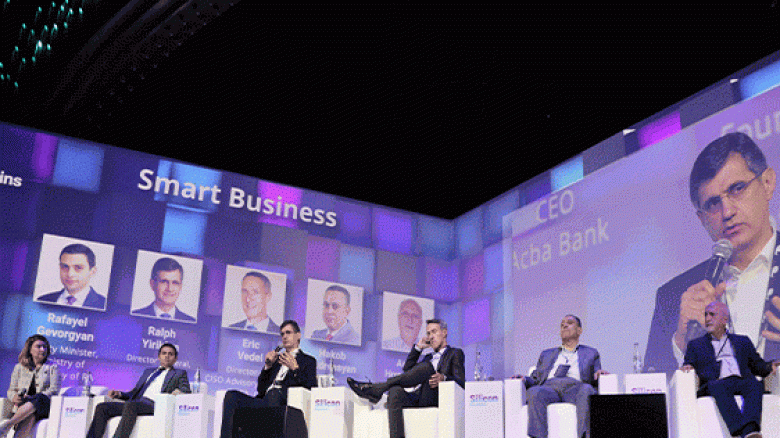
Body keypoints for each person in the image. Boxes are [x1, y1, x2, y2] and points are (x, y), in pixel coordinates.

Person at [645, 132, 780, 374]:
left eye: (737, 189)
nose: (727, 212)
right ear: (701, 219)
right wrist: (682, 344)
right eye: (713, 204)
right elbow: (649, 387)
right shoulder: (673, 297)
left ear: (768, 183)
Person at [348, 319, 465, 438]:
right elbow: (408, 371)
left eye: (434, 332)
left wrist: (444, 378)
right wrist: (418, 348)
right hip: (418, 397)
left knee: (426, 367)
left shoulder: (455, 353)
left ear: (444, 332)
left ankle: (377, 388)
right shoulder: (428, 357)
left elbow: (461, 382)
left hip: (434, 395)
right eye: (428, 333)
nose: (430, 337)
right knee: (395, 391)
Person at [681, 301, 779, 438]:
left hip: (741, 380)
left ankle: (751, 430)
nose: (707, 318)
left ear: (724, 319)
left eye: (712, 314)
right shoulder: (696, 344)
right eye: (706, 315)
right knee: (718, 386)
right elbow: (688, 363)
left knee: (755, 384)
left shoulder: (742, 341)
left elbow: (757, 365)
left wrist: (770, 366)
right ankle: (740, 432)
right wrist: (688, 366)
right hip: (716, 382)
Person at [217, 320, 317, 438]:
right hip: (265, 401)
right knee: (231, 396)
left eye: (288, 333)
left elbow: (311, 386)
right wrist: (268, 366)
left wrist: (295, 369)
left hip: (283, 401)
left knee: (274, 393)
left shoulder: (308, 360)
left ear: (298, 335)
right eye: (282, 334)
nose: (284, 337)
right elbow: (261, 389)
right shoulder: (276, 360)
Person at [518, 315, 606, 438]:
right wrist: (524, 379)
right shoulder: (546, 354)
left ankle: (585, 436)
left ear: (579, 330)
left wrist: (600, 374)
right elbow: (536, 378)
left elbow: (596, 373)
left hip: (576, 387)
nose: (564, 325)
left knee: (587, 390)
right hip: (549, 388)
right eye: (562, 324)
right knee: (534, 392)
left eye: (569, 323)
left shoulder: (591, 353)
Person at [85, 343, 190, 438]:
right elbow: (134, 393)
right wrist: (119, 394)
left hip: (155, 405)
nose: (167, 356)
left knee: (132, 405)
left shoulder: (179, 373)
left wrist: (176, 393)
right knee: (102, 407)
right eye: (164, 353)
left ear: (175, 358)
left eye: (170, 354)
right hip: (136, 403)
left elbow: (186, 391)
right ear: (159, 357)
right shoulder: (148, 371)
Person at [0, 335, 60, 438]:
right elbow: (11, 390)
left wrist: (32, 397)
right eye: (39, 346)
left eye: (45, 347)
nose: (43, 349)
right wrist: (15, 397)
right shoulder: (19, 368)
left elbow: (54, 390)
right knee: (30, 415)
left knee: (39, 398)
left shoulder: (53, 367)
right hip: (24, 407)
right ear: (30, 349)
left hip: (43, 406)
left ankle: (8, 425)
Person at [37, 244, 106, 310]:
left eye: (78, 268)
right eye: (65, 267)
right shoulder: (42, 300)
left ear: (92, 272)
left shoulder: (103, 304)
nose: (70, 274)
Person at [132, 257, 195, 322]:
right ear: (152, 284)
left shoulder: (190, 321)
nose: (170, 289)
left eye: (175, 283)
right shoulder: (134, 316)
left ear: (180, 287)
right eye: (164, 282)